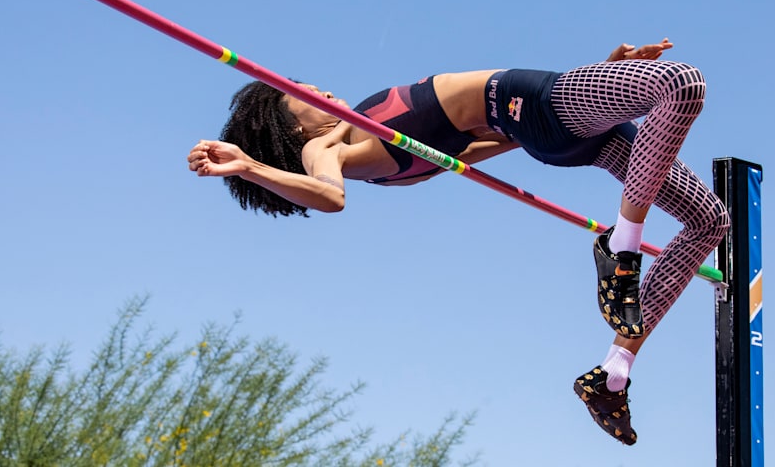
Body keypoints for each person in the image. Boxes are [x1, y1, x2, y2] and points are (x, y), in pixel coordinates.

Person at [187, 39, 730, 445]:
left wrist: (602, 84)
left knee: (710, 223)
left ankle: (613, 371)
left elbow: (484, 146)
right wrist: (251, 165)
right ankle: (623, 245)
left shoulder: (368, 152)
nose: (318, 89)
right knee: (681, 83)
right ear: (294, 132)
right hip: (534, 105)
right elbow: (328, 197)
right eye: (299, 94)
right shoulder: (330, 150)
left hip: (551, 130)